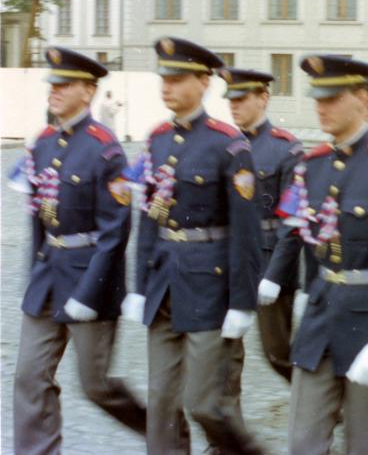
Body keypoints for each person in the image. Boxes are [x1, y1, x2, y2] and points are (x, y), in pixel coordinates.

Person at [267, 55, 368, 454]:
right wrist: (271, 277)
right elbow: (297, 231)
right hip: (321, 319)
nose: (321, 107)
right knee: (303, 441)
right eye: (318, 99)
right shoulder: (311, 166)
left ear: (363, 99)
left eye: (333, 98)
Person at [120, 36, 264, 454]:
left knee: (202, 403)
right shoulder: (158, 139)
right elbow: (149, 216)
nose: (167, 86)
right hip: (164, 284)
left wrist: (242, 302)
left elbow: (246, 232)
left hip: (208, 287)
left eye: (178, 78)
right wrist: (139, 285)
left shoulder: (229, 145)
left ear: (204, 82)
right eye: (164, 77)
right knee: (162, 403)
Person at [14, 47, 146, 453]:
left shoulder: (105, 149)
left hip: (89, 280)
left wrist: (90, 295)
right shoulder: (43, 144)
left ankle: (162, 431)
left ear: (88, 92)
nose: (54, 90)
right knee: (29, 377)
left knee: (96, 385)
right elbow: (37, 217)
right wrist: (34, 275)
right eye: (52, 83)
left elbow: (115, 231)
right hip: (49, 276)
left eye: (64, 84)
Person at [223, 68, 304, 382]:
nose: (234, 106)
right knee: (224, 349)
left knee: (278, 352)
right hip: (229, 261)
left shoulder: (286, 149)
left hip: (269, 260)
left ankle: (319, 403)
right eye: (230, 99)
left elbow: (293, 222)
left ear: (264, 98)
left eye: (242, 99)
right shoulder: (226, 145)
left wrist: (274, 275)